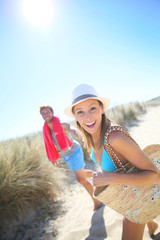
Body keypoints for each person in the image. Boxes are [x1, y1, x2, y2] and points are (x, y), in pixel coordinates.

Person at [64, 83, 160, 240]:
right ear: (75, 116)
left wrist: (111, 178)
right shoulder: (90, 137)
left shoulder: (114, 137)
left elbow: (155, 176)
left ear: (102, 109)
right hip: (131, 195)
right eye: (80, 112)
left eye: (92, 108)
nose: (87, 117)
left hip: (137, 200)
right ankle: (151, 224)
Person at [40, 105, 102, 211]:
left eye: (47, 112)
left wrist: (74, 132)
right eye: (43, 113)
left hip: (74, 151)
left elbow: (70, 127)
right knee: (83, 173)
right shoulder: (46, 131)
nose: (46, 114)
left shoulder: (59, 125)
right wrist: (53, 158)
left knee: (81, 179)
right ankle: (97, 175)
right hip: (66, 156)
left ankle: (97, 201)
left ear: (52, 112)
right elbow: (50, 146)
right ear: (41, 115)